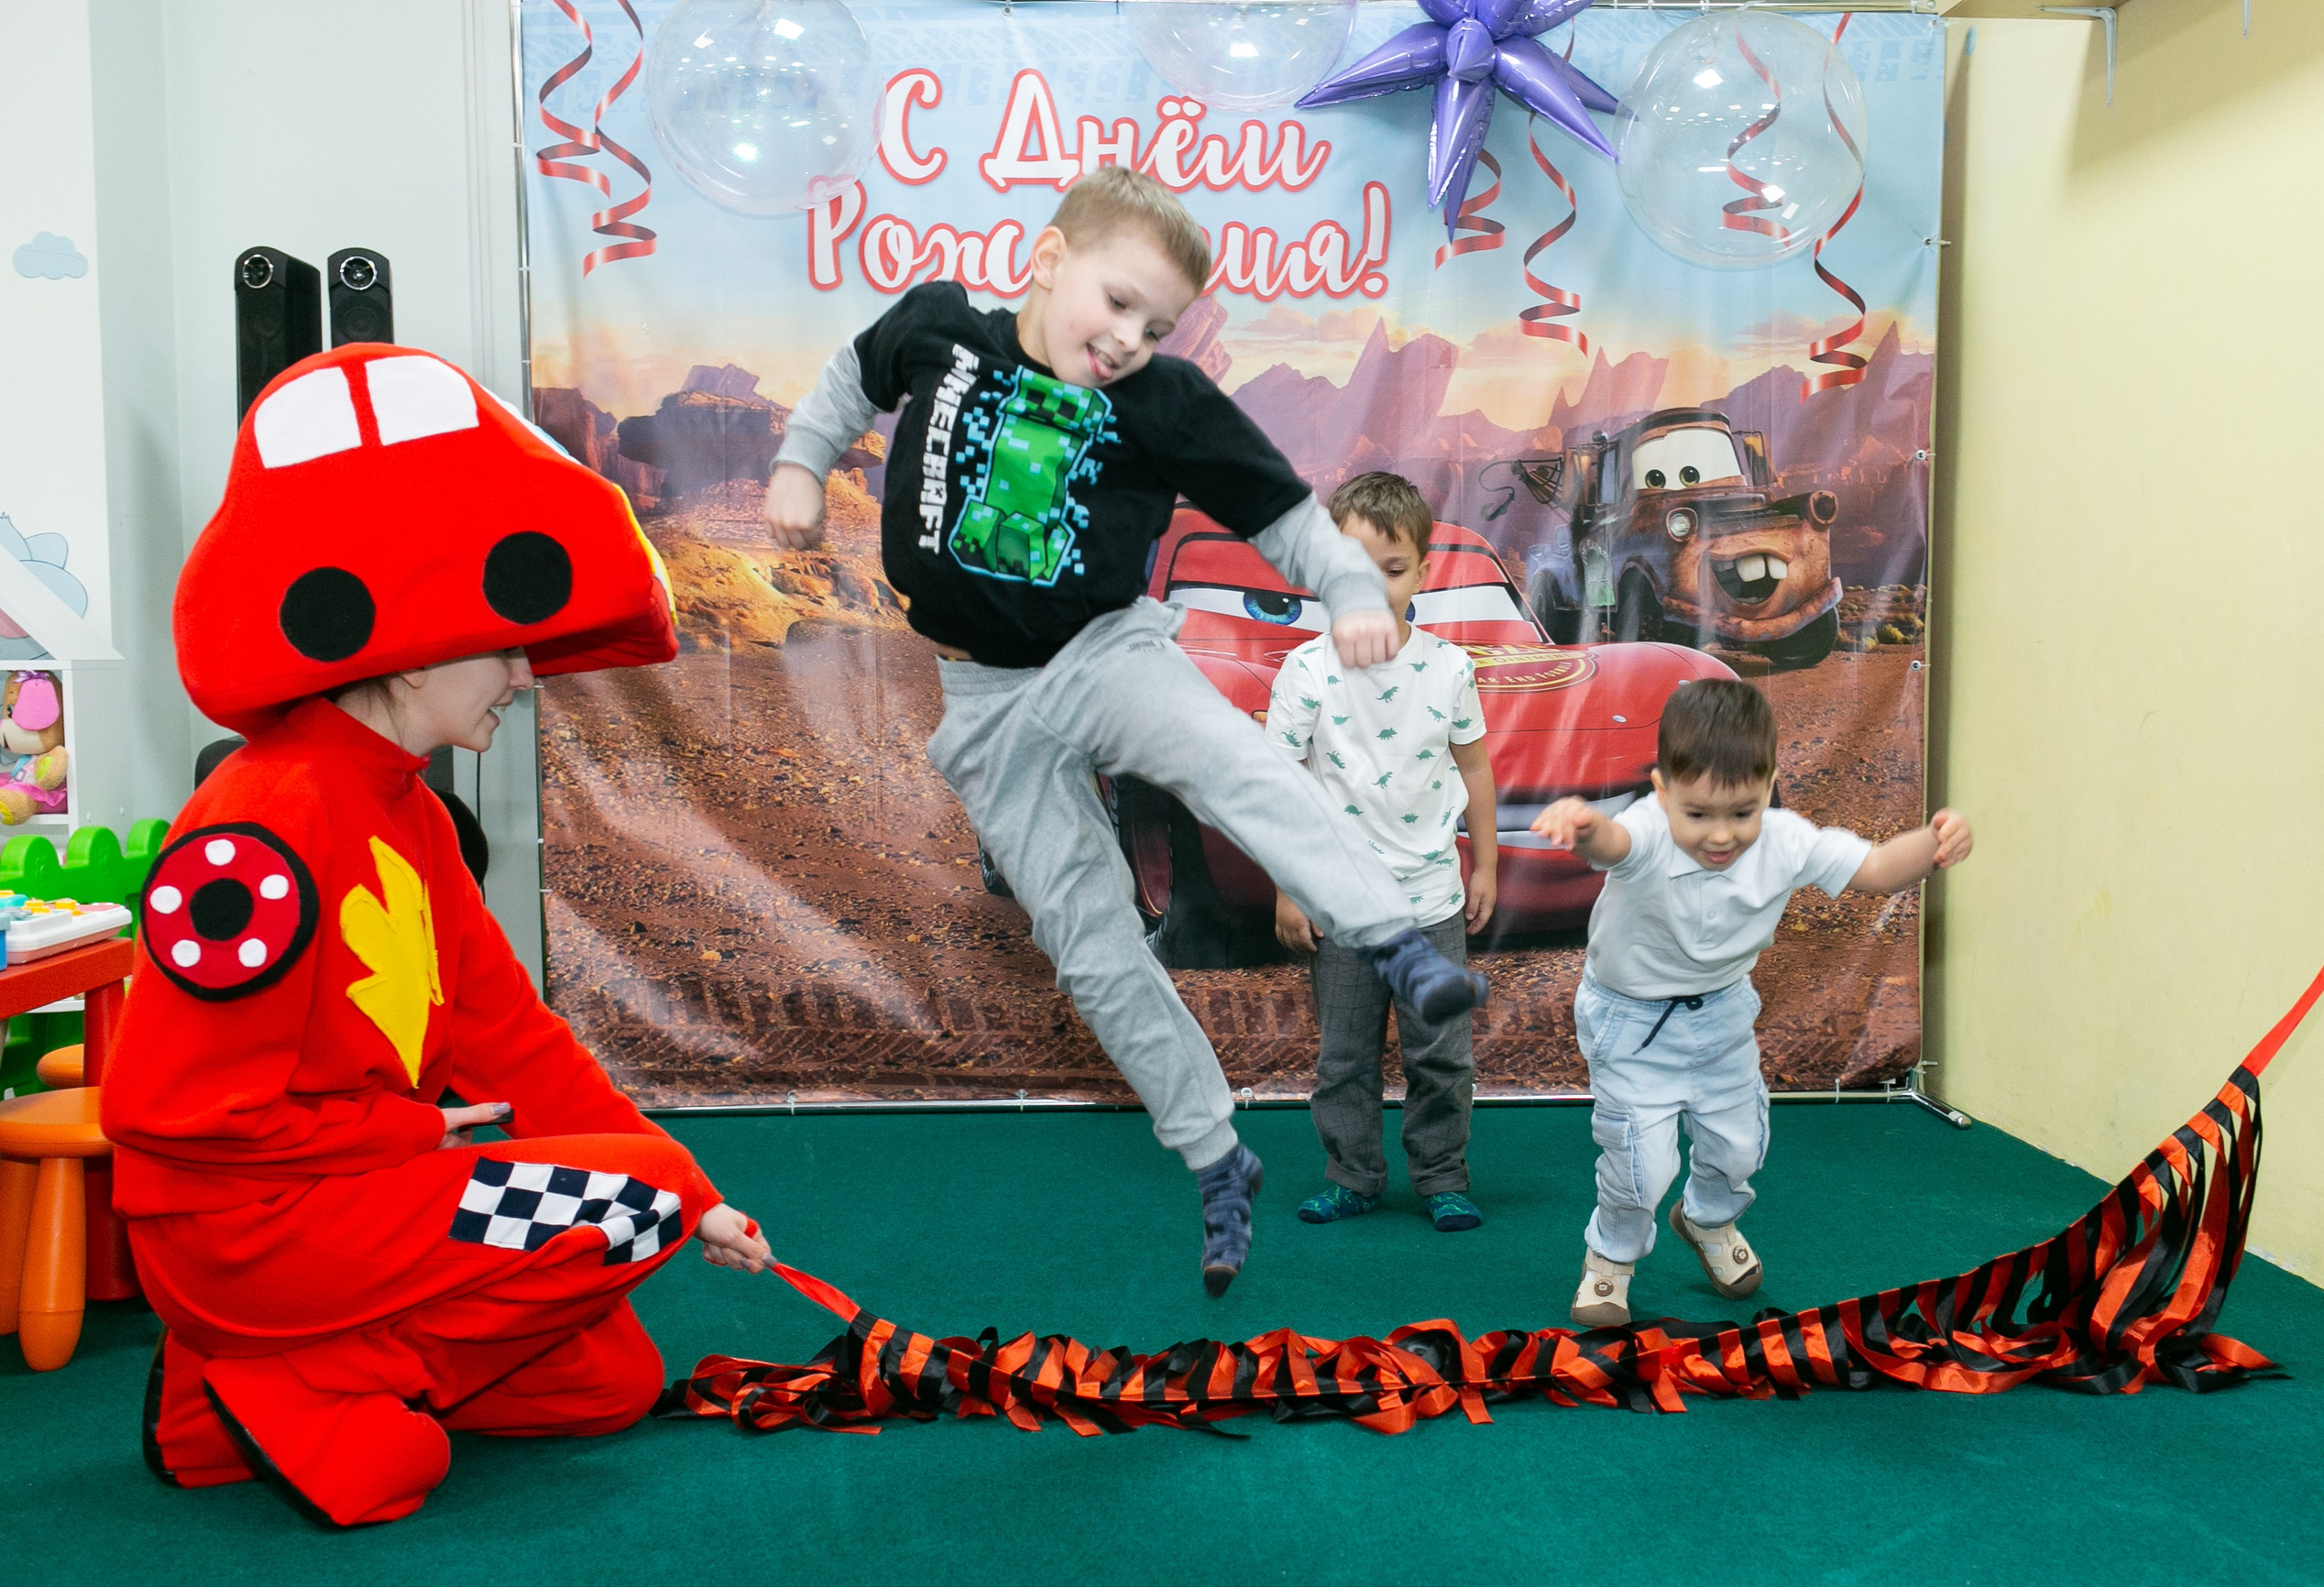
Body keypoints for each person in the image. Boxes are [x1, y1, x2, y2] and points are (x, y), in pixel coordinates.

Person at [763, 167, 1485, 1296]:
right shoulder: (941, 328)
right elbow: (848, 378)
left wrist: (1348, 591)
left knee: (1225, 759)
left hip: (1103, 654)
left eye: (1156, 325)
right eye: (1115, 304)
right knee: (1090, 943)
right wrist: (802, 465)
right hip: (986, 702)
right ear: (1048, 260)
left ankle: (1389, 937)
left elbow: (1283, 513)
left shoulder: (1164, 399)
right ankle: (1215, 1154)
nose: (1129, 339)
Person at [105, 343, 773, 1527]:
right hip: (244, 1237)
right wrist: (410, 1134)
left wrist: (701, 1199)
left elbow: (512, 1040)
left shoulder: (405, 806)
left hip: (351, 1201)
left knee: (610, 1384)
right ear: (407, 645)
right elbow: (169, 1121)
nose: (525, 673)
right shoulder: (259, 828)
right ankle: (305, 1372)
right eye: (504, 642)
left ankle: (226, 1403)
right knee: (629, 1201)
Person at [1530, 678, 1971, 1326]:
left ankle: (1707, 1219)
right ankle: (1612, 1259)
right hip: (1631, 1025)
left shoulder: (1785, 839)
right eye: (1698, 813)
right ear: (1662, 791)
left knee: (1738, 1146)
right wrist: (1585, 826)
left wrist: (1933, 847)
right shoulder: (1647, 831)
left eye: (1741, 812)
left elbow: (1876, 868)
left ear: (1767, 788)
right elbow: (1612, 847)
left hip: (1722, 1018)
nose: (1720, 835)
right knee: (1639, 1162)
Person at [1264, 473, 1496, 1232]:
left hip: (1430, 903)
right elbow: (1279, 788)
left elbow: (1474, 768)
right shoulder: (1305, 672)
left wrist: (1487, 863)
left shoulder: (1450, 669)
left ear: (1422, 572)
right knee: (1344, 1059)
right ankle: (1355, 1174)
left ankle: (1441, 1176)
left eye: (1391, 570)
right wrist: (1288, 888)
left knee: (1442, 1057)